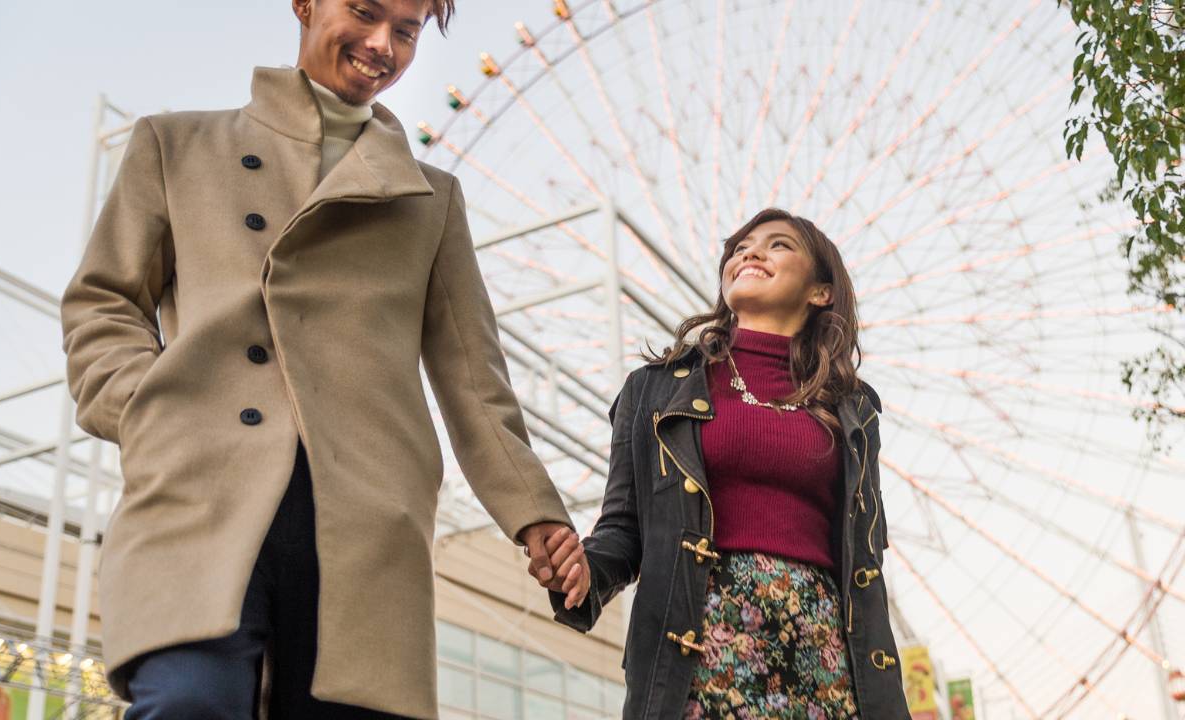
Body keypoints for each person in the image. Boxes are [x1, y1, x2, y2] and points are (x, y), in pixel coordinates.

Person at [60, 1, 587, 717]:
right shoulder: (175, 145)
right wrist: (154, 414)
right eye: (365, 13)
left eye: (406, 31)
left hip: (365, 517)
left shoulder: (431, 200)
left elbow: (473, 380)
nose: (382, 46)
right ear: (304, 4)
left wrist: (535, 515)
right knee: (190, 702)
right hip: (199, 487)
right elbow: (104, 303)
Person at [545, 208, 910, 718]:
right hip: (701, 644)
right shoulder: (652, 389)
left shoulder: (852, 406)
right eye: (739, 248)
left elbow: (864, 554)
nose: (750, 252)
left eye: (778, 245)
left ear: (821, 291)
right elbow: (624, 529)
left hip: (827, 653)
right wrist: (582, 571)